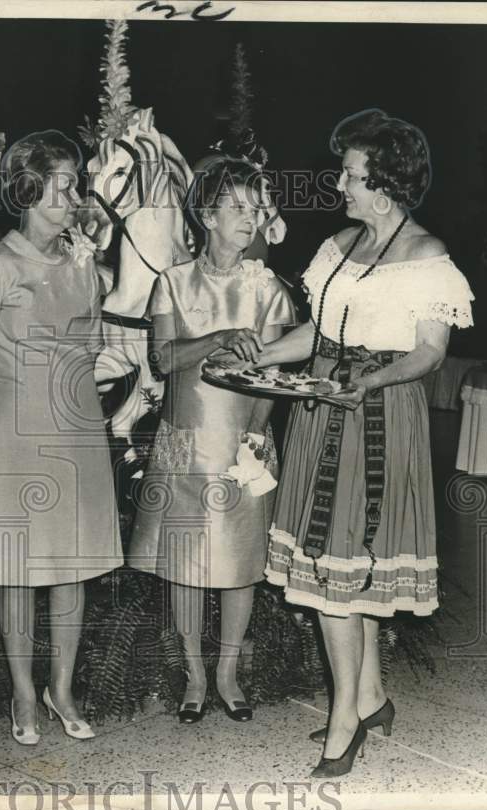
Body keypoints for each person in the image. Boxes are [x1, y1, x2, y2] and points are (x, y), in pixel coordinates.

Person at [259, 109, 474, 777]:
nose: (340, 185)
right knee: (343, 560)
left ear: (384, 181)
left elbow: (430, 352)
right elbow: (319, 336)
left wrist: (370, 379)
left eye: (350, 174)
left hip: (379, 412)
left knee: (344, 566)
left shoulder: (427, 256)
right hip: (326, 408)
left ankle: (345, 715)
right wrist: (263, 354)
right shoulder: (338, 247)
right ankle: (372, 695)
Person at [0, 130, 123, 745]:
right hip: (13, 435)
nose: (74, 195)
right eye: (62, 183)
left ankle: (62, 687)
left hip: (77, 431)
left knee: (72, 568)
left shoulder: (83, 266)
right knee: (18, 570)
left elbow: (96, 347)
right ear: (26, 189)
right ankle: (24, 693)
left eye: (76, 182)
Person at [128, 157, 296, 725]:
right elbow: (164, 357)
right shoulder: (172, 282)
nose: (251, 219)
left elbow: (272, 373)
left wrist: (254, 436)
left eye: (257, 209)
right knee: (185, 561)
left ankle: (228, 672)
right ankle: (195, 675)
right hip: (185, 443)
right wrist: (220, 336)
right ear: (206, 214)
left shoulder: (267, 287)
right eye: (239, 208)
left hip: (241, 443)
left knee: (239, 560)